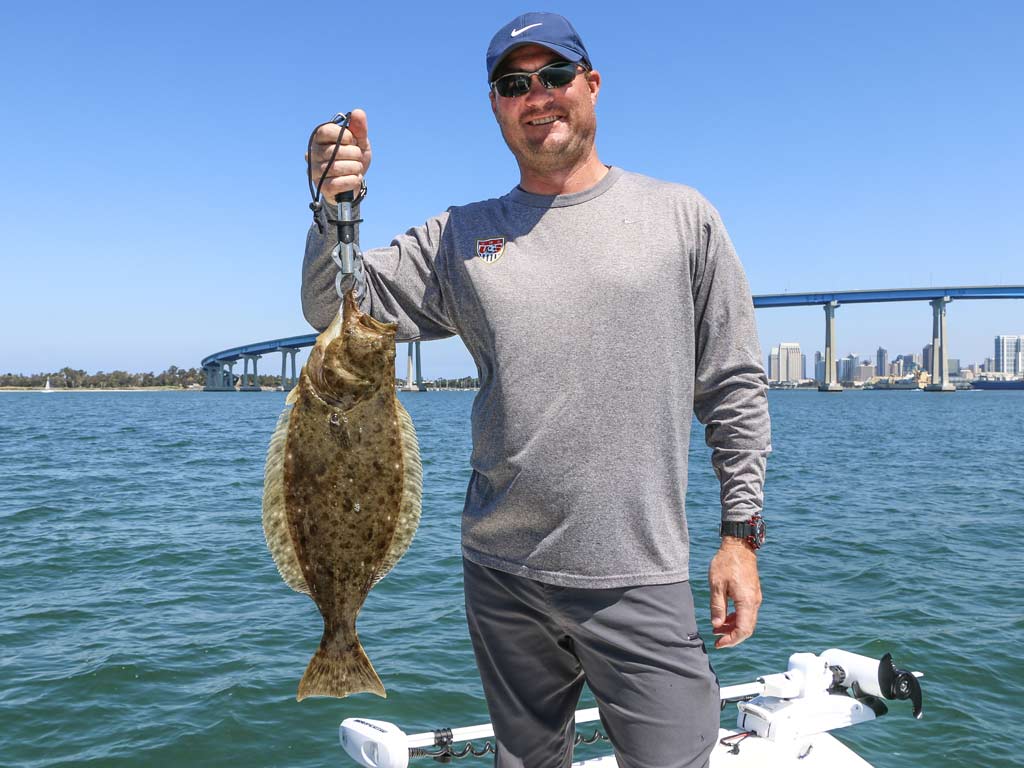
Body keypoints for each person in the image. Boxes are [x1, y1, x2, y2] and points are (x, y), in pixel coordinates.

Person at [302, 12, 771, 768]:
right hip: (500, 576)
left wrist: (740, 537)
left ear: (591, 84)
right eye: (514, 84)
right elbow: (337, 308)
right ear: (496, 105)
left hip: (638, 574)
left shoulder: (682, 217)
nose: (538, 95)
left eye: (554, 75)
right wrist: (333, 207)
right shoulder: (460, 236)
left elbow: (733, 384)